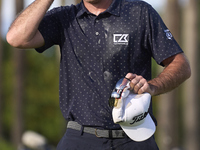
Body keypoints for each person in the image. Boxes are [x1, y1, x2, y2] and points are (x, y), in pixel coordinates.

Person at [7, 0, 191, 149]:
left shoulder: (140, 12)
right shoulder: (64, 17)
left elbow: (180, 65)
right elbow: (16, 37)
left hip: (135, 135)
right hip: (79, 139)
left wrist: (153, 86)